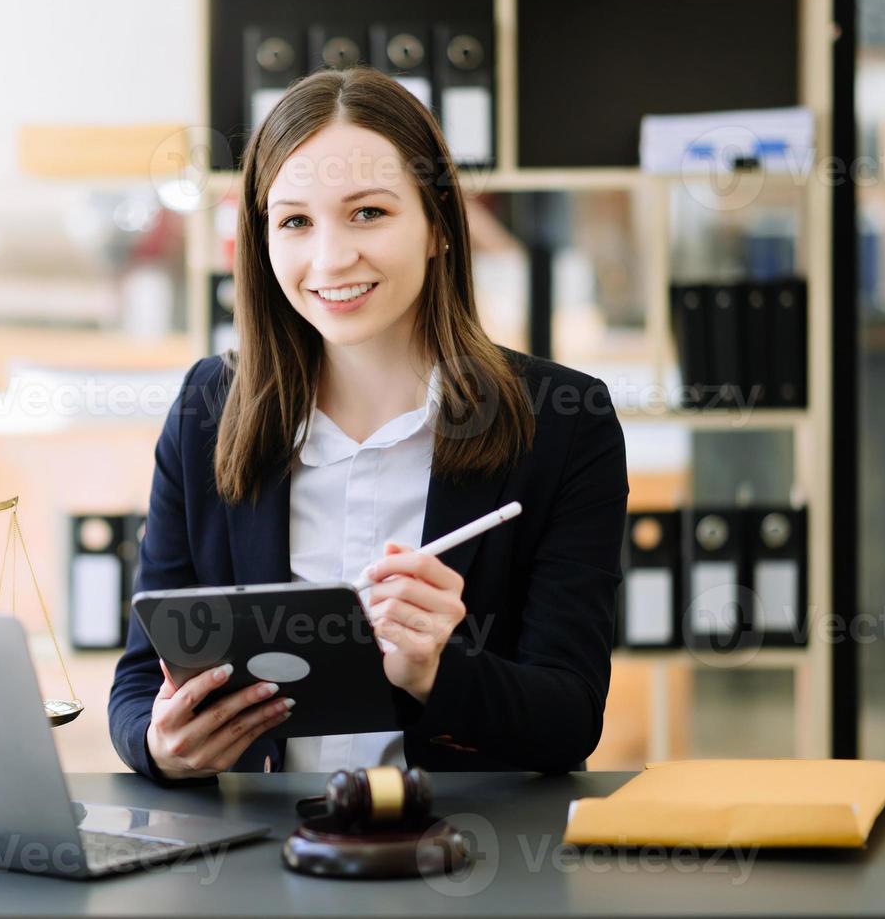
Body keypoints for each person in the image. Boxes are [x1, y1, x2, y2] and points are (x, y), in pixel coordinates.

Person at [108, 65, 628, 783]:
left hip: (466, 861)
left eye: (368, 213)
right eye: (294, 221)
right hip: (259, 855)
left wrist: (434, 672)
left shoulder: (564, 424)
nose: (330, 258)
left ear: (439, 227)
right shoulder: (209, 409)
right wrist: (160, 745)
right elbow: (139, 685)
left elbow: (567, 722)